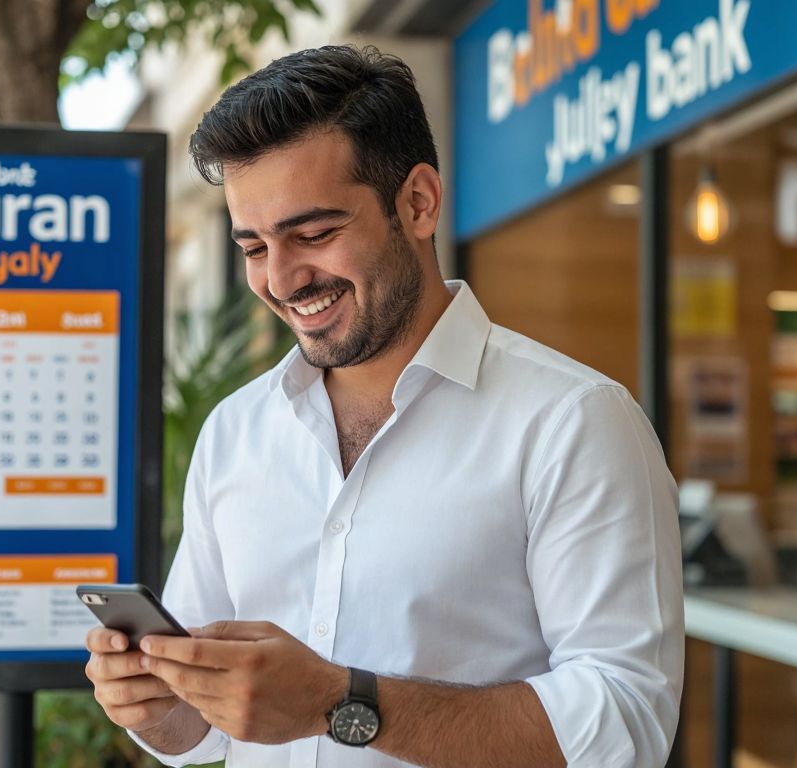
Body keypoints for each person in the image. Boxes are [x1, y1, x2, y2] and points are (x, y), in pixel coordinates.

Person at [85, 44, 683, 767]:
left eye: (314, 234)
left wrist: (341, 703)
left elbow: (627, 722)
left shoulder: (574, 421)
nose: (281, 278)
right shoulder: (235, 434)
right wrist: (159, 704)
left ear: (419, 203)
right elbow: (202, 734)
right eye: (253, 246)